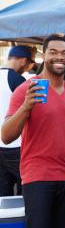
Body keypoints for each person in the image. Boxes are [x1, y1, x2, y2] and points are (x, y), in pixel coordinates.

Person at [1, 34, 65, 228]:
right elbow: (6, 136)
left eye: (64, 53)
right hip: (38, 179)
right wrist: (26, 106)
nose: (59, 57)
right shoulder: (26, 89)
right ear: (44, 56)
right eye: (53, 52)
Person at [0, 45, 34, 196]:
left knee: (3, 196)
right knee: (24, 192)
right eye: (27, 65)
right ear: (23, 61)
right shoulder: (18, 80)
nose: (26, 69)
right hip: (16, 145)